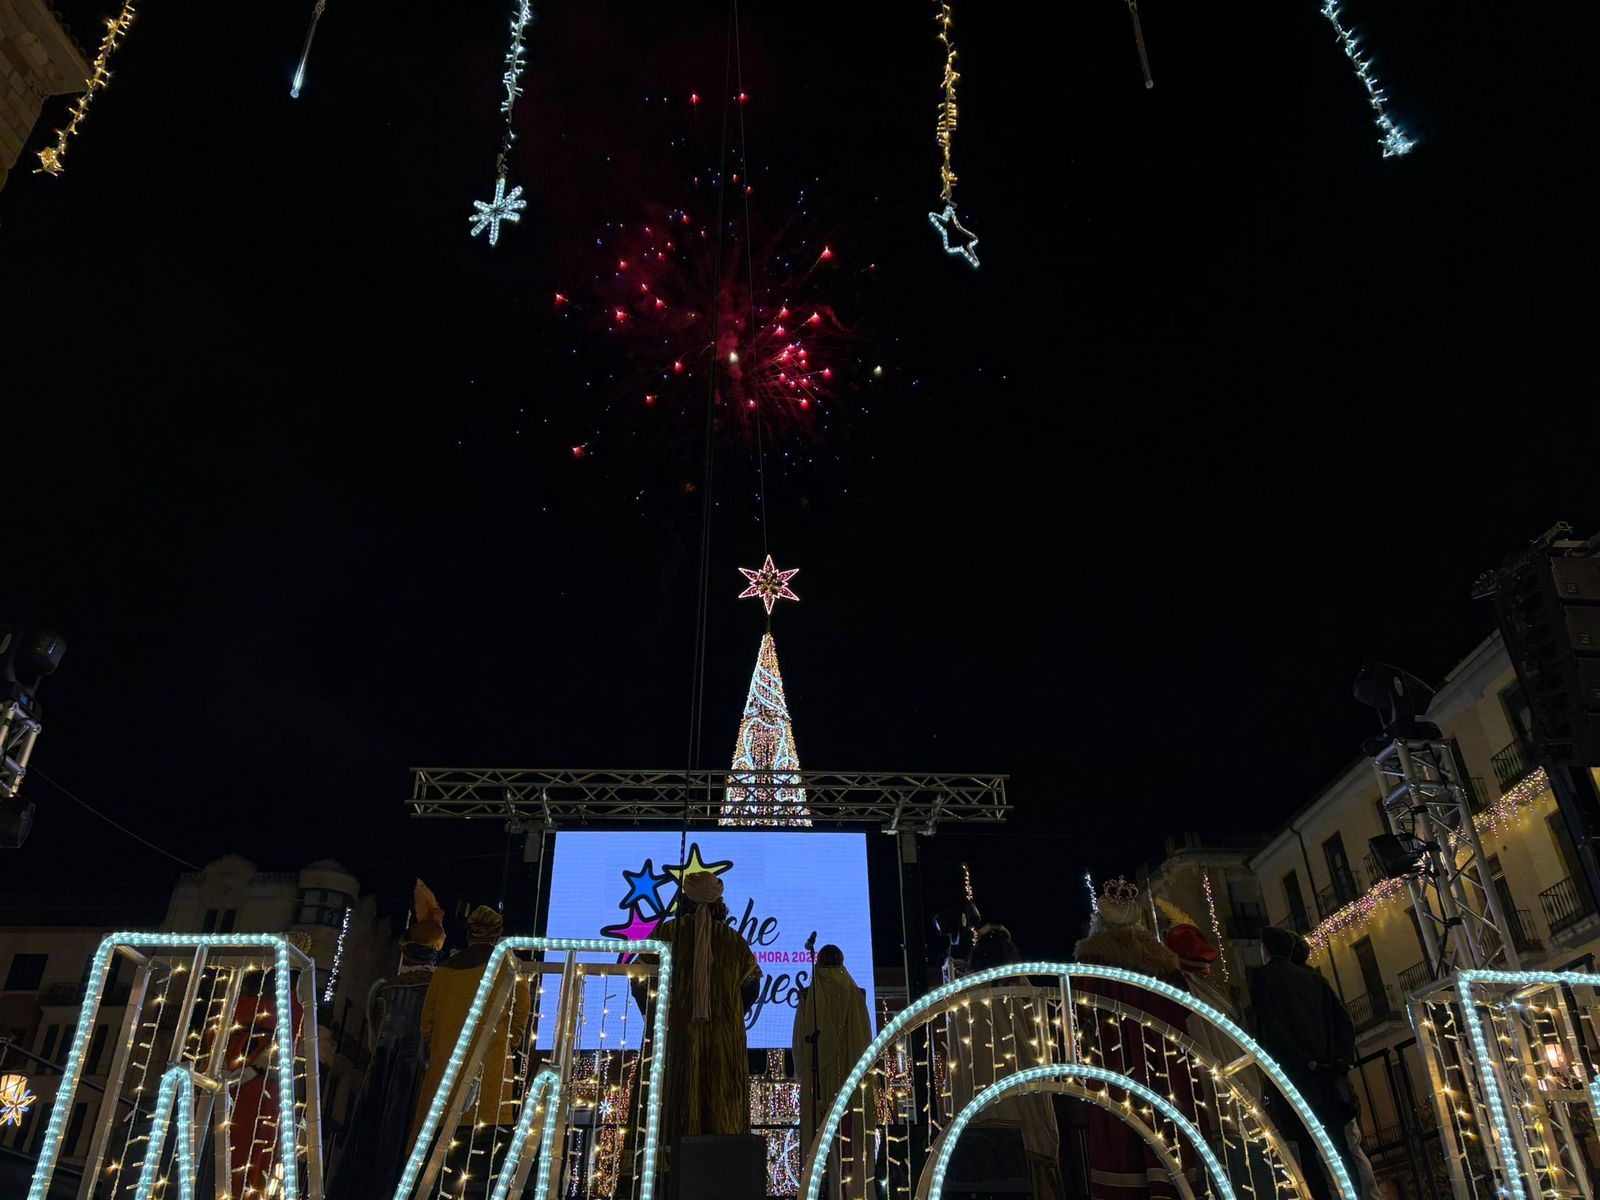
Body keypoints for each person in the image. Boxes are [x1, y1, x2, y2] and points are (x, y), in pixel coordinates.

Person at [1073, 879, 1195, 1200]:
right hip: (1162, 1058)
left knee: (1123, 1123)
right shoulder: (1161, 962)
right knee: (1166, 1118)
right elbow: (1181, 1009)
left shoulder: (1094, 961)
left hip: (1117, 1058)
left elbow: (1084, 1013)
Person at [328, 880, 447, 1200]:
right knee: (407, 1142)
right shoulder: (436, 991)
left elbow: (371, 1039)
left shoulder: (383, 989)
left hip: (379, 1075)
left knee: (369, 1139)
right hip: (415, 1076)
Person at [943, 925, 1064, 1200]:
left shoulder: (964, 992)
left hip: (978, 1107)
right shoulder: (1021, 987)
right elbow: (1039, 1038)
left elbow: (956, 1052)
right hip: (1022, 1104)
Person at [643, 870, 760, 1145]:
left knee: (673, 1095)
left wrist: (657, 1016)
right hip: (724, 1041)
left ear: (684, 898)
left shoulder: (664, 935)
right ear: (719, 901)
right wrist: (729, 1014)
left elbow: (640, 982)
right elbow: (752, 987)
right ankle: (721, 1175)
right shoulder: (734, 941)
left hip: (674, 1037)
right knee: (723, 1104)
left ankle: (666, 1175)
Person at [1249, 926, 1361, 1200]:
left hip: (1295, 1079)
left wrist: (1299, 1062)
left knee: (1307, 1154)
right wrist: (1341, 1059)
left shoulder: (1263, 978)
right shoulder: (1315, 979)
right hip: (1330, 1080)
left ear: (1266, 950)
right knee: (1341, 1152)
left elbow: (1271, 1028)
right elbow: (1343, 1021)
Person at [412, 904, 530, 1147]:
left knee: (436, 1153)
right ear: (497, 934)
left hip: (444, 1075)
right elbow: (520, 1018)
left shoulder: (444, 971)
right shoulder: (511, 968)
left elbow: (427, 1024)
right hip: (490, 1076)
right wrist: (505, 1047)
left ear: (468, 934)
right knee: (481, 1157)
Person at [1286, 932, 1382, 1200]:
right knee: (1350, 1146)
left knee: (1340, 1150)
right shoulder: (1318, 984)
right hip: (1336, 1083)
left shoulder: (1307, 987)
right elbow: (1343, 1022)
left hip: (1325, 1085)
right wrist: (1341, 1060)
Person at [225, 931, 309, 1199]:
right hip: (241, 1078)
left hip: (261, 1087)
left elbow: (288, 1042)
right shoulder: (253, 993)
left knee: (253, 1149)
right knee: (234, 1145)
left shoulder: (294, 1003)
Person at [792, 944, 876, 1200]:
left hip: (822, 1090)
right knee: (849, 1149)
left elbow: (799, 1047)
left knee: (822, 1150)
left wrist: (803, 1078)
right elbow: (866, 1044)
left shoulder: (810, 996)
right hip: (850, 1089)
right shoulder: (855, 994)